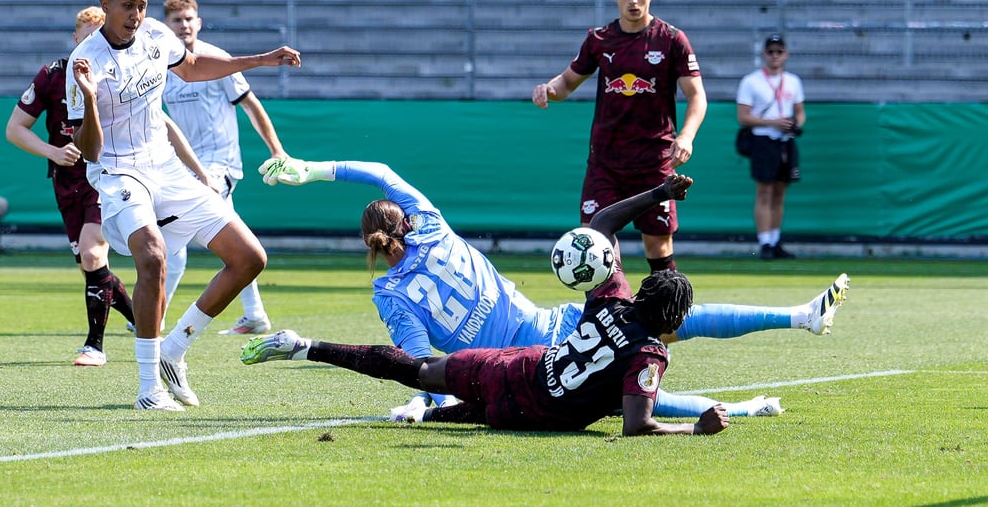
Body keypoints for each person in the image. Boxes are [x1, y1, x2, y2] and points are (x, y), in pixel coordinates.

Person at [245, 158, 850, 419]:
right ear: (402, 220)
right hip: (549, 322)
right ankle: (798, 316)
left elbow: (420, 360)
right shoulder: (430, 222)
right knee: (657, 321)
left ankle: (742, 405)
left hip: (522, 366)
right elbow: (378, 173)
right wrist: (313, 169)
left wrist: (427, 402)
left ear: (371, 246)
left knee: (622, 396)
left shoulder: (388, 292)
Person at [65, 0, 301, 411]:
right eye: (126, 6)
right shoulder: (84, 64)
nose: (135, 14)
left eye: (141, 5)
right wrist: (92, 98)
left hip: (166, 167)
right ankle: (148, 388)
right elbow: (90, 150)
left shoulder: (156, 34)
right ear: (105, 5)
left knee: (250, 258)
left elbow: (191, 68)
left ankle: (176, 347)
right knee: (153, 258)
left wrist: (260, 59)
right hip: (118, 173)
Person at [531, 0, 707, 272]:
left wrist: (686, 136)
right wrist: (549, 90)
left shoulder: (671, 40)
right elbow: (567, 82)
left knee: (657, 244)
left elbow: (697, 96)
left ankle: (665, 316)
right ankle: (611, 312)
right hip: (606, 162)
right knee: (595, 242)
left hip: (654, 161)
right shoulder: (600, 39)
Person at [5, 6, 136, 367]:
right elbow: (14, 128)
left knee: (94, 256)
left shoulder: (119, 72)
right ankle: (145, 323)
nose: (93, 42)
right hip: (66, 181)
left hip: (107, 174)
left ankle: (94, 346)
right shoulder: (51, 75)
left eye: (100, 35)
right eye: (87, 35)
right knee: (92, 268)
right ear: (75, 38)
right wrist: (53, 151)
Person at [160, 0, 288, 335]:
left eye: (189, 19)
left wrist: (277, 150)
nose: (184, 25)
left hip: (219, 164)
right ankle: (255, 314)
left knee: (175, 229)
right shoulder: (161, 67)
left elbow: (251, 105)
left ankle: (154, 316)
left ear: (198, 23)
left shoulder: (216, 60)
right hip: (183, 166)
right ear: (166, 26)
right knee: (229, 238)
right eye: (177, 20)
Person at [736, 34, 806, 260]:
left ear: (785, 54)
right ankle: (764, 241)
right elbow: (743, 117)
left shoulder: (793, 81)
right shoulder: (751, 81)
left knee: (780, 193)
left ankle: (775, 240)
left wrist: (795, 125)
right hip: (764, 140)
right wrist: (774, 123)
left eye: (779, 51)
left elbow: (800, 112)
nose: (775, 56)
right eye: (771, 51)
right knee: (764, 192)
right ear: (764, 54)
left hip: (785, 142)